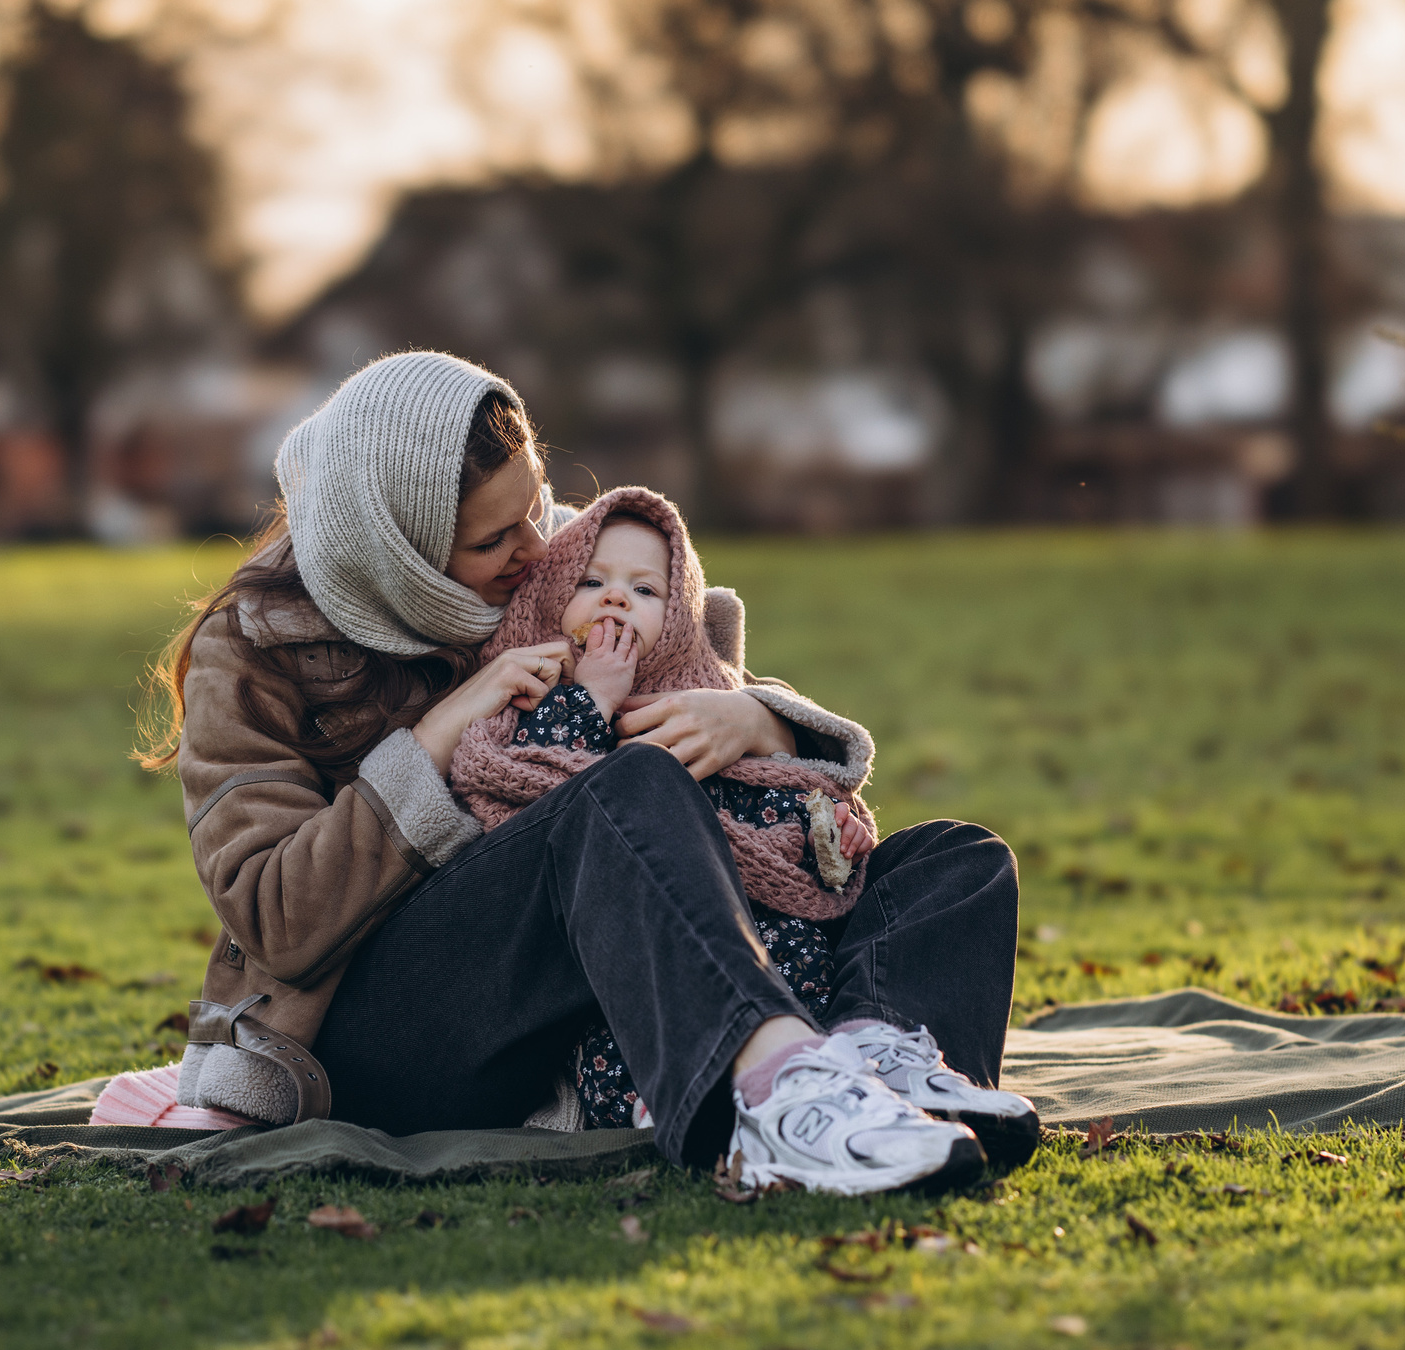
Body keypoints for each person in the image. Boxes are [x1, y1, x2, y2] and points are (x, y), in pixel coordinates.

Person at [136, 350, 1028, 1194]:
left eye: (537, 504)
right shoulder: (252, 648)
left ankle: (880, 1069)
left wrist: (758, 718)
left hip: (578, 997)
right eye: (496, 538)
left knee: (955, 861)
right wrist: (440, 734)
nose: (536, 545)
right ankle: (775, 1092)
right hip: (391, 1034)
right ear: (405, 553)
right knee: (626, 788)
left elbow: (690, 677)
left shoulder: (555, 562)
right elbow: (277, 916)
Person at [444, 487, 1039, 1179]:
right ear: (550, 601)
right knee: (639, 781)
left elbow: (779, 809)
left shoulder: (710, 693)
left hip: (802, 970)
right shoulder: (530, 698)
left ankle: (883, 1052)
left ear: (679, 618)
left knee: (962, 856)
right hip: (666, 998)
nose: (616, 600)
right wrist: (592, 698)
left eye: (644, 590)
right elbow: (527, 803)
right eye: (591, 583)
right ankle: (760, 1096)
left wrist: (825, 831)